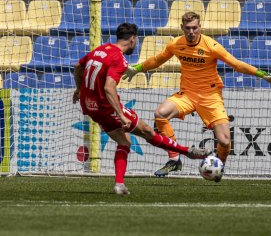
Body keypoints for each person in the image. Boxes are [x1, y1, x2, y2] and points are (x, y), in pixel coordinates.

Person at [123, 12, 271, 182]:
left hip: (210, 96)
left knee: (224, 141)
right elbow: (158, 60)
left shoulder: (211, 46)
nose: (191, 32)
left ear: (200, 27)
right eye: (188, 28)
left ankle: (218, 167)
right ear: (182, 28)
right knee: (160, 114)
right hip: (187, 94)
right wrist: (137, 68)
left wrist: (263, 74)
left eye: (194, 28)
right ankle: (174, 159)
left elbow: (236, 64)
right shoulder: (176, 44)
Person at [72, 23, 212, 195]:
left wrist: (79, 89)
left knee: (124, 142)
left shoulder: (99, 49)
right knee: (147, 131)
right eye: (136, 40)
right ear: (132, 39)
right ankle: (187, 152)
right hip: (105, 107)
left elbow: (77, 67)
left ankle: (119, 185)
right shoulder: (119, 58)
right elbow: (109, 88)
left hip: (89, 106)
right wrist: (121, 116)